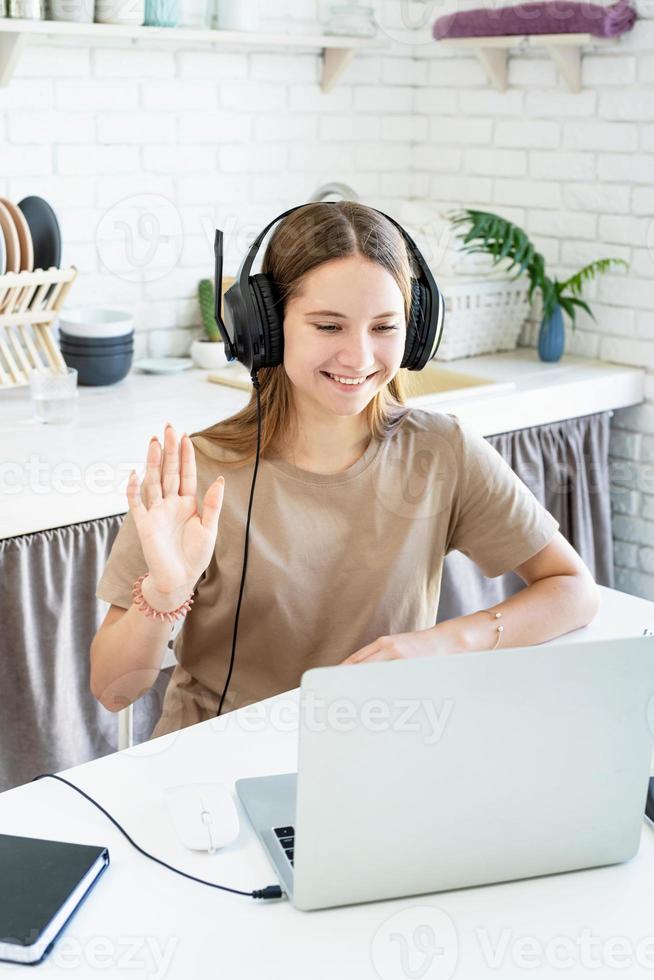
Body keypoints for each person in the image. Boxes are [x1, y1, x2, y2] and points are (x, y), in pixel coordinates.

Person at [90, 202, 600, 738]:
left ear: (416, 331)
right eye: (329, 325)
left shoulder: (441, 451)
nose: (358, 357)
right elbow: (112, 690)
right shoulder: (196, 474)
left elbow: (572, 589)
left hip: (378, 756)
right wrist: (164, 598)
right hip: (218, 769)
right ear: (266, 327)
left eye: (384, 327)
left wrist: (449, 641)